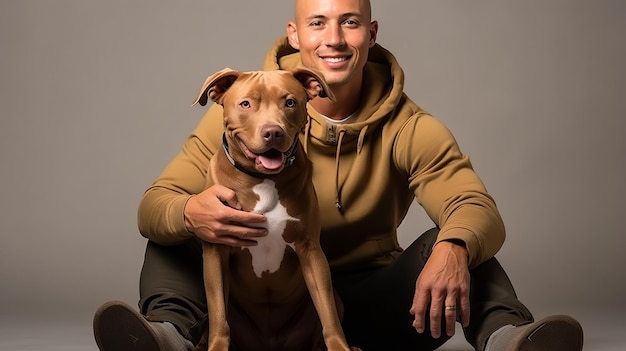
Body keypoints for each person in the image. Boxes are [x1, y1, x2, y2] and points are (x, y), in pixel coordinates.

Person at [93, 0, 584, 350]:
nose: (333, 39)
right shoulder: (237, 109)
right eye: (318, 23)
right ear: (295, 34)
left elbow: (478, 209)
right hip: (247, 306)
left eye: (349, 23)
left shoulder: (411, 127)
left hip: (366, 306)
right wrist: (186, 210)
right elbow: (153, 204)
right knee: (173, 229)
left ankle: (508, 340)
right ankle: (167, 337)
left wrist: (455, 246)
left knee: (457, 242)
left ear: (370, 35)